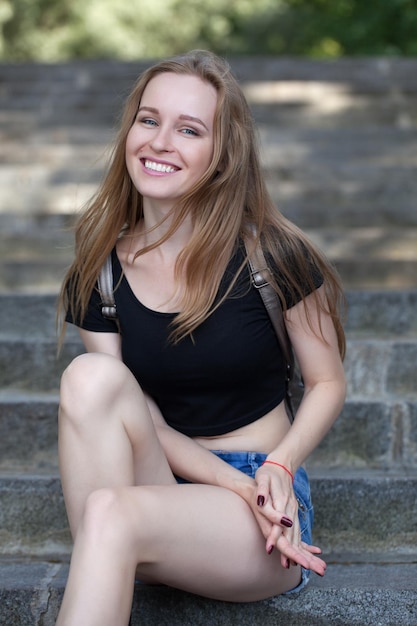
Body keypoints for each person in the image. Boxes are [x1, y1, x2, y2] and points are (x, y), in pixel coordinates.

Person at [56, 49, 346, 625]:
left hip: (265, 496)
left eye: (189, 129)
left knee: (110, 516)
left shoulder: (273, 254)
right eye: (149, 119)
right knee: (88, 377)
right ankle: (121, 536)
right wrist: (226, 485)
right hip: (160, 478)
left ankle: (119, 535)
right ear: (129, 131)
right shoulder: (100, 273)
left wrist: (275, 472)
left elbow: (328, 381)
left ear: (219, 155)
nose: (161, 141)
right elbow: (145, 421)